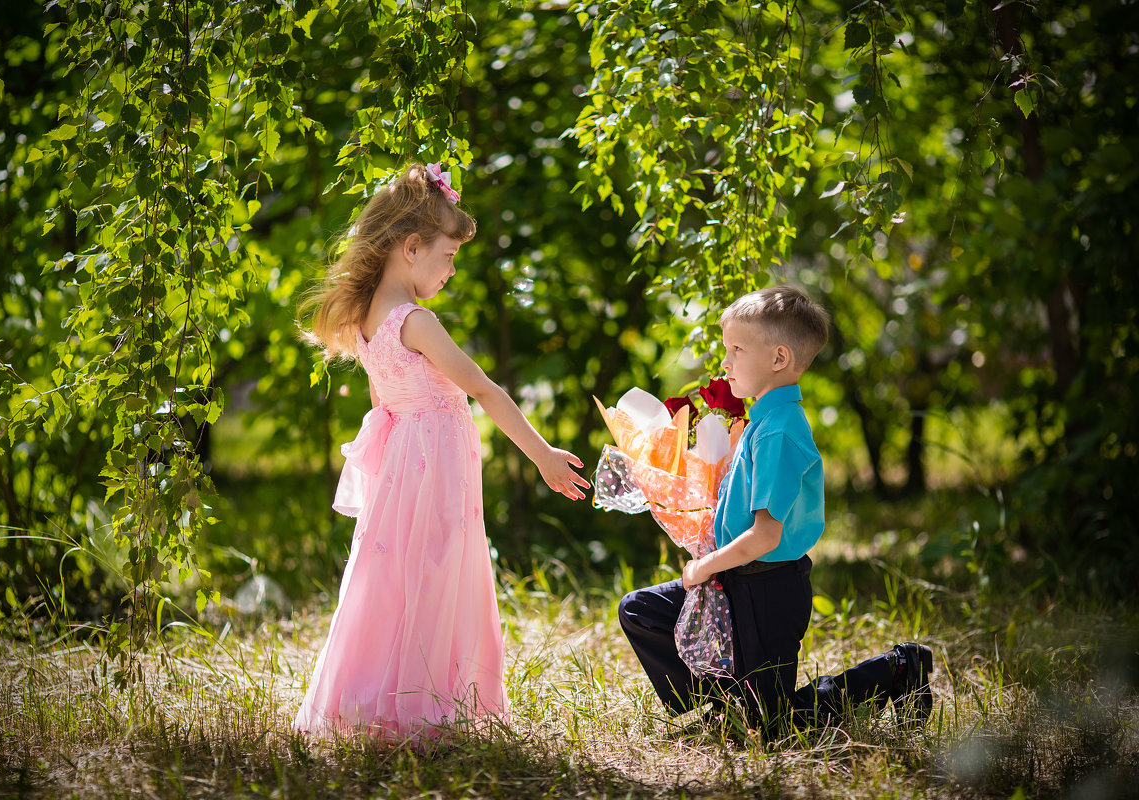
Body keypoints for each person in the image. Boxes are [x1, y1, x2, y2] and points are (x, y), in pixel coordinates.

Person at [293, 162, 591, 741]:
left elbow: (383, 406)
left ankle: (384, 697)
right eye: (448, 255)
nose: (452, 269)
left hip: (407, 467)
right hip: (433, 468)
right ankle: (423, 705)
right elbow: (483, 388)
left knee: (395, 579)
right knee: (434, 577)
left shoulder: (366, 321)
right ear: (411, 247)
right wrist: (542, 455)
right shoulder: (415, 321)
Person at [617, 285, 933, 735]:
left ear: (779, 358)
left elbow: (766, 536)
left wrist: (704, 566)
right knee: (642, 611)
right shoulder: (759, 419)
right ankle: (728, 701)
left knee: (776, 724)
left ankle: (900, 668)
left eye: (736, 349)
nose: (725, 362)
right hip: (735, 578)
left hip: (768, 589)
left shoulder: (778, 431)